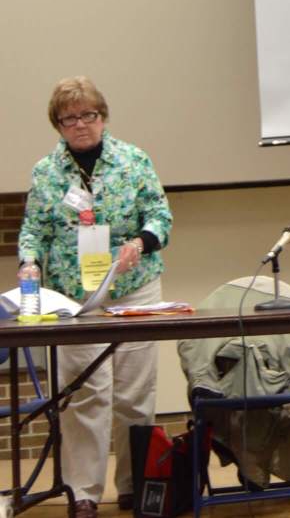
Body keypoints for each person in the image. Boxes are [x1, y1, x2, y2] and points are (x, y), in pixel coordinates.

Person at [17, 76, 172, 518]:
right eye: (70, 118)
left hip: (134, 289)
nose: (81, 124)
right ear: (58, 125)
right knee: (84, 395)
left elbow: (160, 215)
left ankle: (134, 485)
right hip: (74, 298)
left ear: (103, 117)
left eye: (89, 115)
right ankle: (83, 492)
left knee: (133, 395)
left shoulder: (132, 160)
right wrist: (29, 261)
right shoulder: (47, 173)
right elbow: (34, 230)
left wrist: (140, 243)